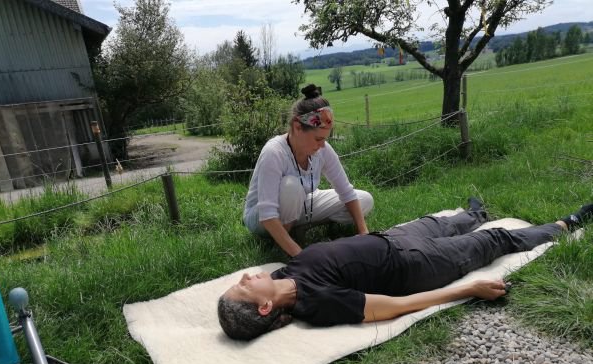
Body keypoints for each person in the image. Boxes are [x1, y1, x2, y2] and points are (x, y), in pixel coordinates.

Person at [218, 199, 593, 340]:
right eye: (244, 286)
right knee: (494, 240)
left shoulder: (281, 276)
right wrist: (469, 289)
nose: (246, 276)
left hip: (392, 237)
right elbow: (397, 307)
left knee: (445, 221)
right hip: (417, 265)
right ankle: (568, 223)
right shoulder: (317, 304)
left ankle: (476, 211)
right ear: (265, 307)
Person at [243, 84, 374, 257]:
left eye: (325, 139)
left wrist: (364, 233)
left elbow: (346, 192)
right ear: (297, 127)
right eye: (318, 139)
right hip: (262, 218)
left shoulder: (322, 149)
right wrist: (300, 256)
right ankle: (283, 241)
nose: (322, 145)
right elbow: (267, 215)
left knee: (365, 200)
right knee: (291, 187)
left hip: (301, 203)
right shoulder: (274, 152)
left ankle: (300, 226)